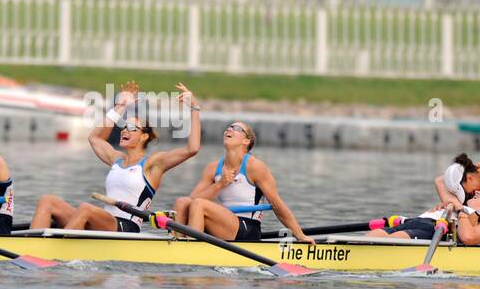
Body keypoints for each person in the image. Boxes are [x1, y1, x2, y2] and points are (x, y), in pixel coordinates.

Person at [30, 81, 200, 232]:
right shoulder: (116, 158)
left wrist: (194, 108)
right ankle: (31, 247)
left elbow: (192, 149)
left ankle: (58, 252)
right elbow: (94, 138)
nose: (125, 130)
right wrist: (120, 106)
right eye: (124, 126)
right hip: (103, 221)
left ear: (144, 137)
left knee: (85, 208)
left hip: (125, 226)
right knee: (48, 200)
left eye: (132, 128)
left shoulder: (152, 163)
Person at [171, 120, 313, 244]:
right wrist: (219, 185)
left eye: (237, 129)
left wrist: (300, 236)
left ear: (246, 141)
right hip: (224, 225)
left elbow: (277, 205)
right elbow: (190, 201)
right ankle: (176, 244)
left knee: (199, 204)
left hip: (248, 229)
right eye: (229, 126)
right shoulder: (212, 168)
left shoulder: (255, 167)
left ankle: (188, 250)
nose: (230, 129)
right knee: (182, 202)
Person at [367, 192, 480, 246]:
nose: (476, 192)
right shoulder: (458, 204)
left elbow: (468, 237)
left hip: (435, 230)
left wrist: (460, 210)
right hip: (414, 221)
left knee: (392, 240)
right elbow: (440, 180)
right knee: (370, 238)